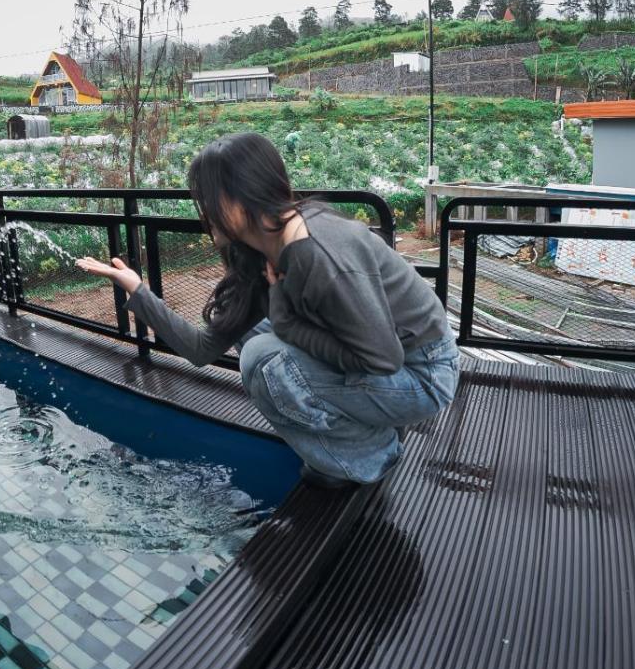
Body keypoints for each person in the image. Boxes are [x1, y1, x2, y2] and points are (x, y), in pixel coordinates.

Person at [76, 132, 459, 488]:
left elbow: (383, 360)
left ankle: (368, 456)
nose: (203, 211)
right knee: (251, 334)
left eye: (208, 198)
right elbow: (202, 349)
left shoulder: (319, 254)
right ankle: (369, 429)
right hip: (383, 363)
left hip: (422, 374)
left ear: (242, 196)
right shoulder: (262, 251)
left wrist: (288, 327)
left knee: (263, 359)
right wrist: (137, 290)